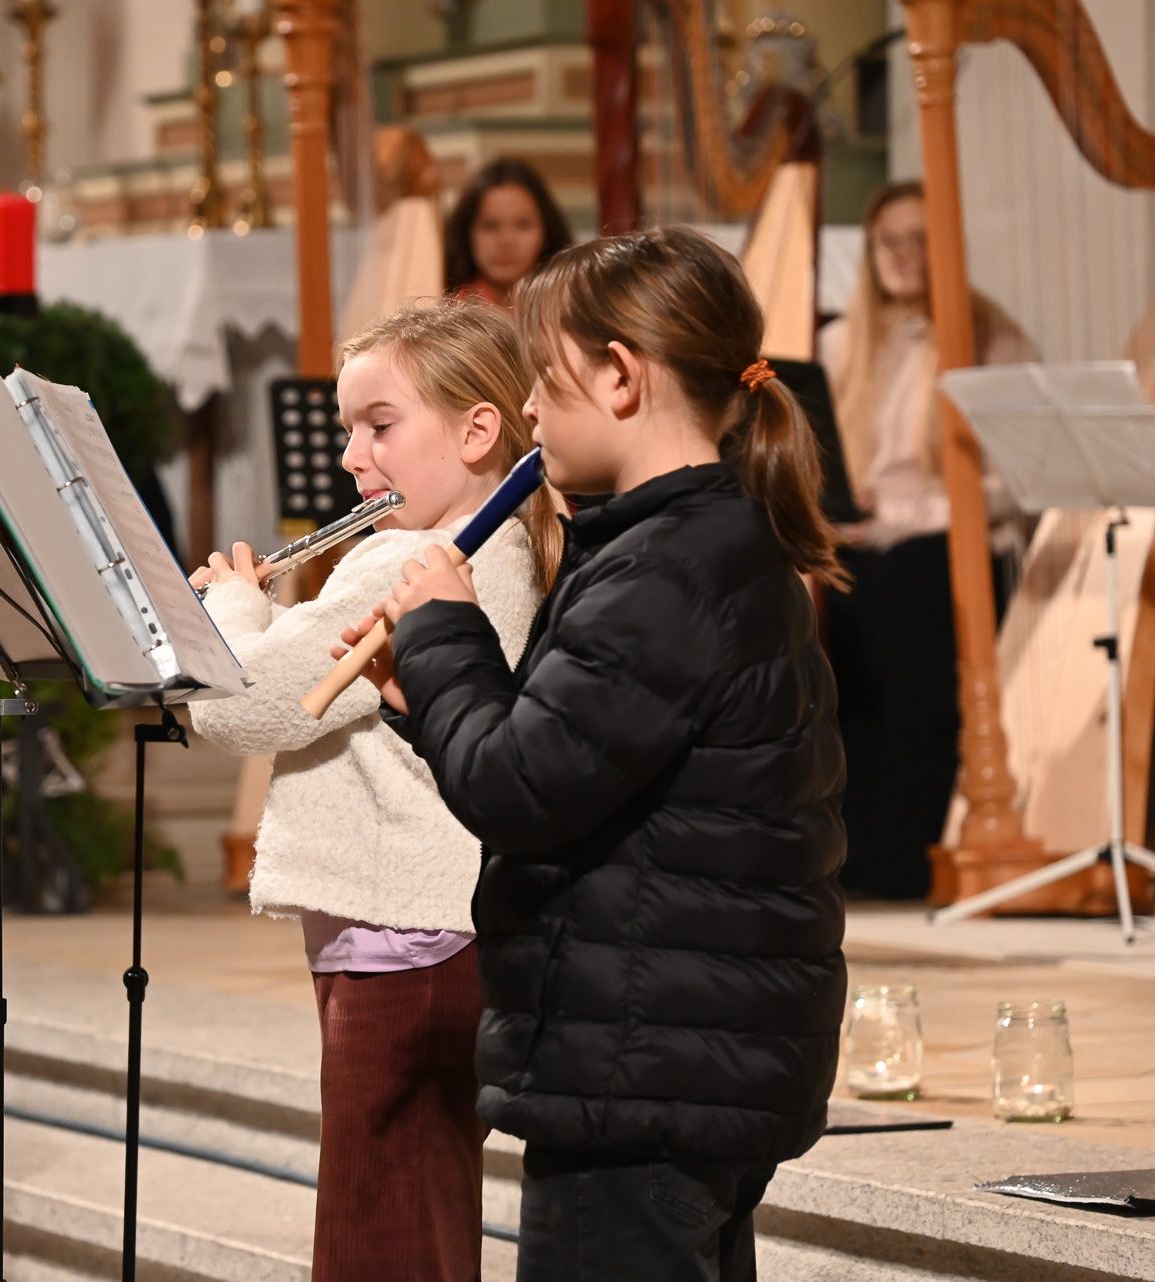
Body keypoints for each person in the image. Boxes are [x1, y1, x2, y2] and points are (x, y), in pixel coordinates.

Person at [338, 228, 847, 1282]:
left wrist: (442, 627)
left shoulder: (665, 567)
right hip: (672, 1054)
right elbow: (565, 762)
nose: (525, 410)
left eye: (542, 377)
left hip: (646, 1063)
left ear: (621, 374)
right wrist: (420, 692)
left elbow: (518, 789)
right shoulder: (688, 542)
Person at [188, 301, 559, 1282]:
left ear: (480, 430)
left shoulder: (420, 560)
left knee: (379, 1240)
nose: (353, 455)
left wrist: (230, 604)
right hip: (417, 933)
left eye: (379, 425)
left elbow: (242, 706)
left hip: (407, 943)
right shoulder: (486, 544)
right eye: (349, 427)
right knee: (415, 1226)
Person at [817, 178, 1034, 899]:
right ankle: (829, 848)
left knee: (901, 591)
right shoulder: (840, 341)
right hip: (861, 542)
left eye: (920, 240)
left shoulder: (990, 338)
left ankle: (901, 856)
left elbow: (1015, 485)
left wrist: (909, 514)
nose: (905, 256)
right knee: (811, 609)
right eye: (890, 242)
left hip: (951, 546)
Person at [443, 157, 572, 307]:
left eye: (522, 225)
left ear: (547, 231)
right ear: (466, 233)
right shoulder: (448, 312)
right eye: (490, 226)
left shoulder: (570, 307)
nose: (506, 240)